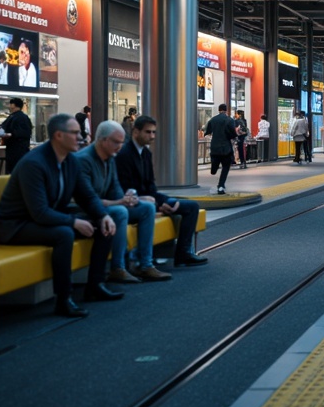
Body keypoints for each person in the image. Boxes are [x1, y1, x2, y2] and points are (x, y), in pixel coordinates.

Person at [0, 112, 120, 318]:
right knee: (64, 234)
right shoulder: (33, 164)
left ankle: (95, 286)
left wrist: (103, 215)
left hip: (43, 218)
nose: (81, 137)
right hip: (15, 225)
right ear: (59, 136)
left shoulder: (70, 161)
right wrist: (74, 222)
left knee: (103, 226)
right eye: (75, 133)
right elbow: (40, 212)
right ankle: (64, 299)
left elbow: (86, 195)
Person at [74, 120, 170, 284]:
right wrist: (120, 202)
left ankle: (145, 264)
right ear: (104, 140)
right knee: (120, 212)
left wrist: (128, 199)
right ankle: (118, 268)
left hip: (104, 205)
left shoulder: (110, 157)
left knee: (146, 207)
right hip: (84, 210)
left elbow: (116, 188)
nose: (120, 146)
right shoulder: (83, 160)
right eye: (117, 142)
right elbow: (88, 199)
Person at [115, 115, 207, 266]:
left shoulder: (145, 153)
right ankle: (144, 260)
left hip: (150, 200)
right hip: (135, 203)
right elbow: (127, 189)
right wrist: (158, 204)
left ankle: (183, 252)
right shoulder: (124, 155)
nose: (152, 136)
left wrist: (165, 201)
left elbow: (151, 187)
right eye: (148, 132)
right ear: (135, 132)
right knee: (151, 206)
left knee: (191, 206)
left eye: (154, 132)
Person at [205, 103, 237, 193]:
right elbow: (232, 134)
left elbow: (207, 131)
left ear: (219, 110)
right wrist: (235, 134)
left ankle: (213, 168)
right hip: (225, 148)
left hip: (214, 146)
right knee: (226, 167)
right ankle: (221, 186)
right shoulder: (229, 120)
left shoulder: (213, 120)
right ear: (226, 110)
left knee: (215, 162)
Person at [0, 97, 33, 172]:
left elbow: (23, 133)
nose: (9, 106)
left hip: (16, 151)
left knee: (13, 172)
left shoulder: (17, 117)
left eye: (11, 104)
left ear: (14, 105)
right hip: (18, 151)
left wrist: (10, 134)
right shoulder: (22, 117)